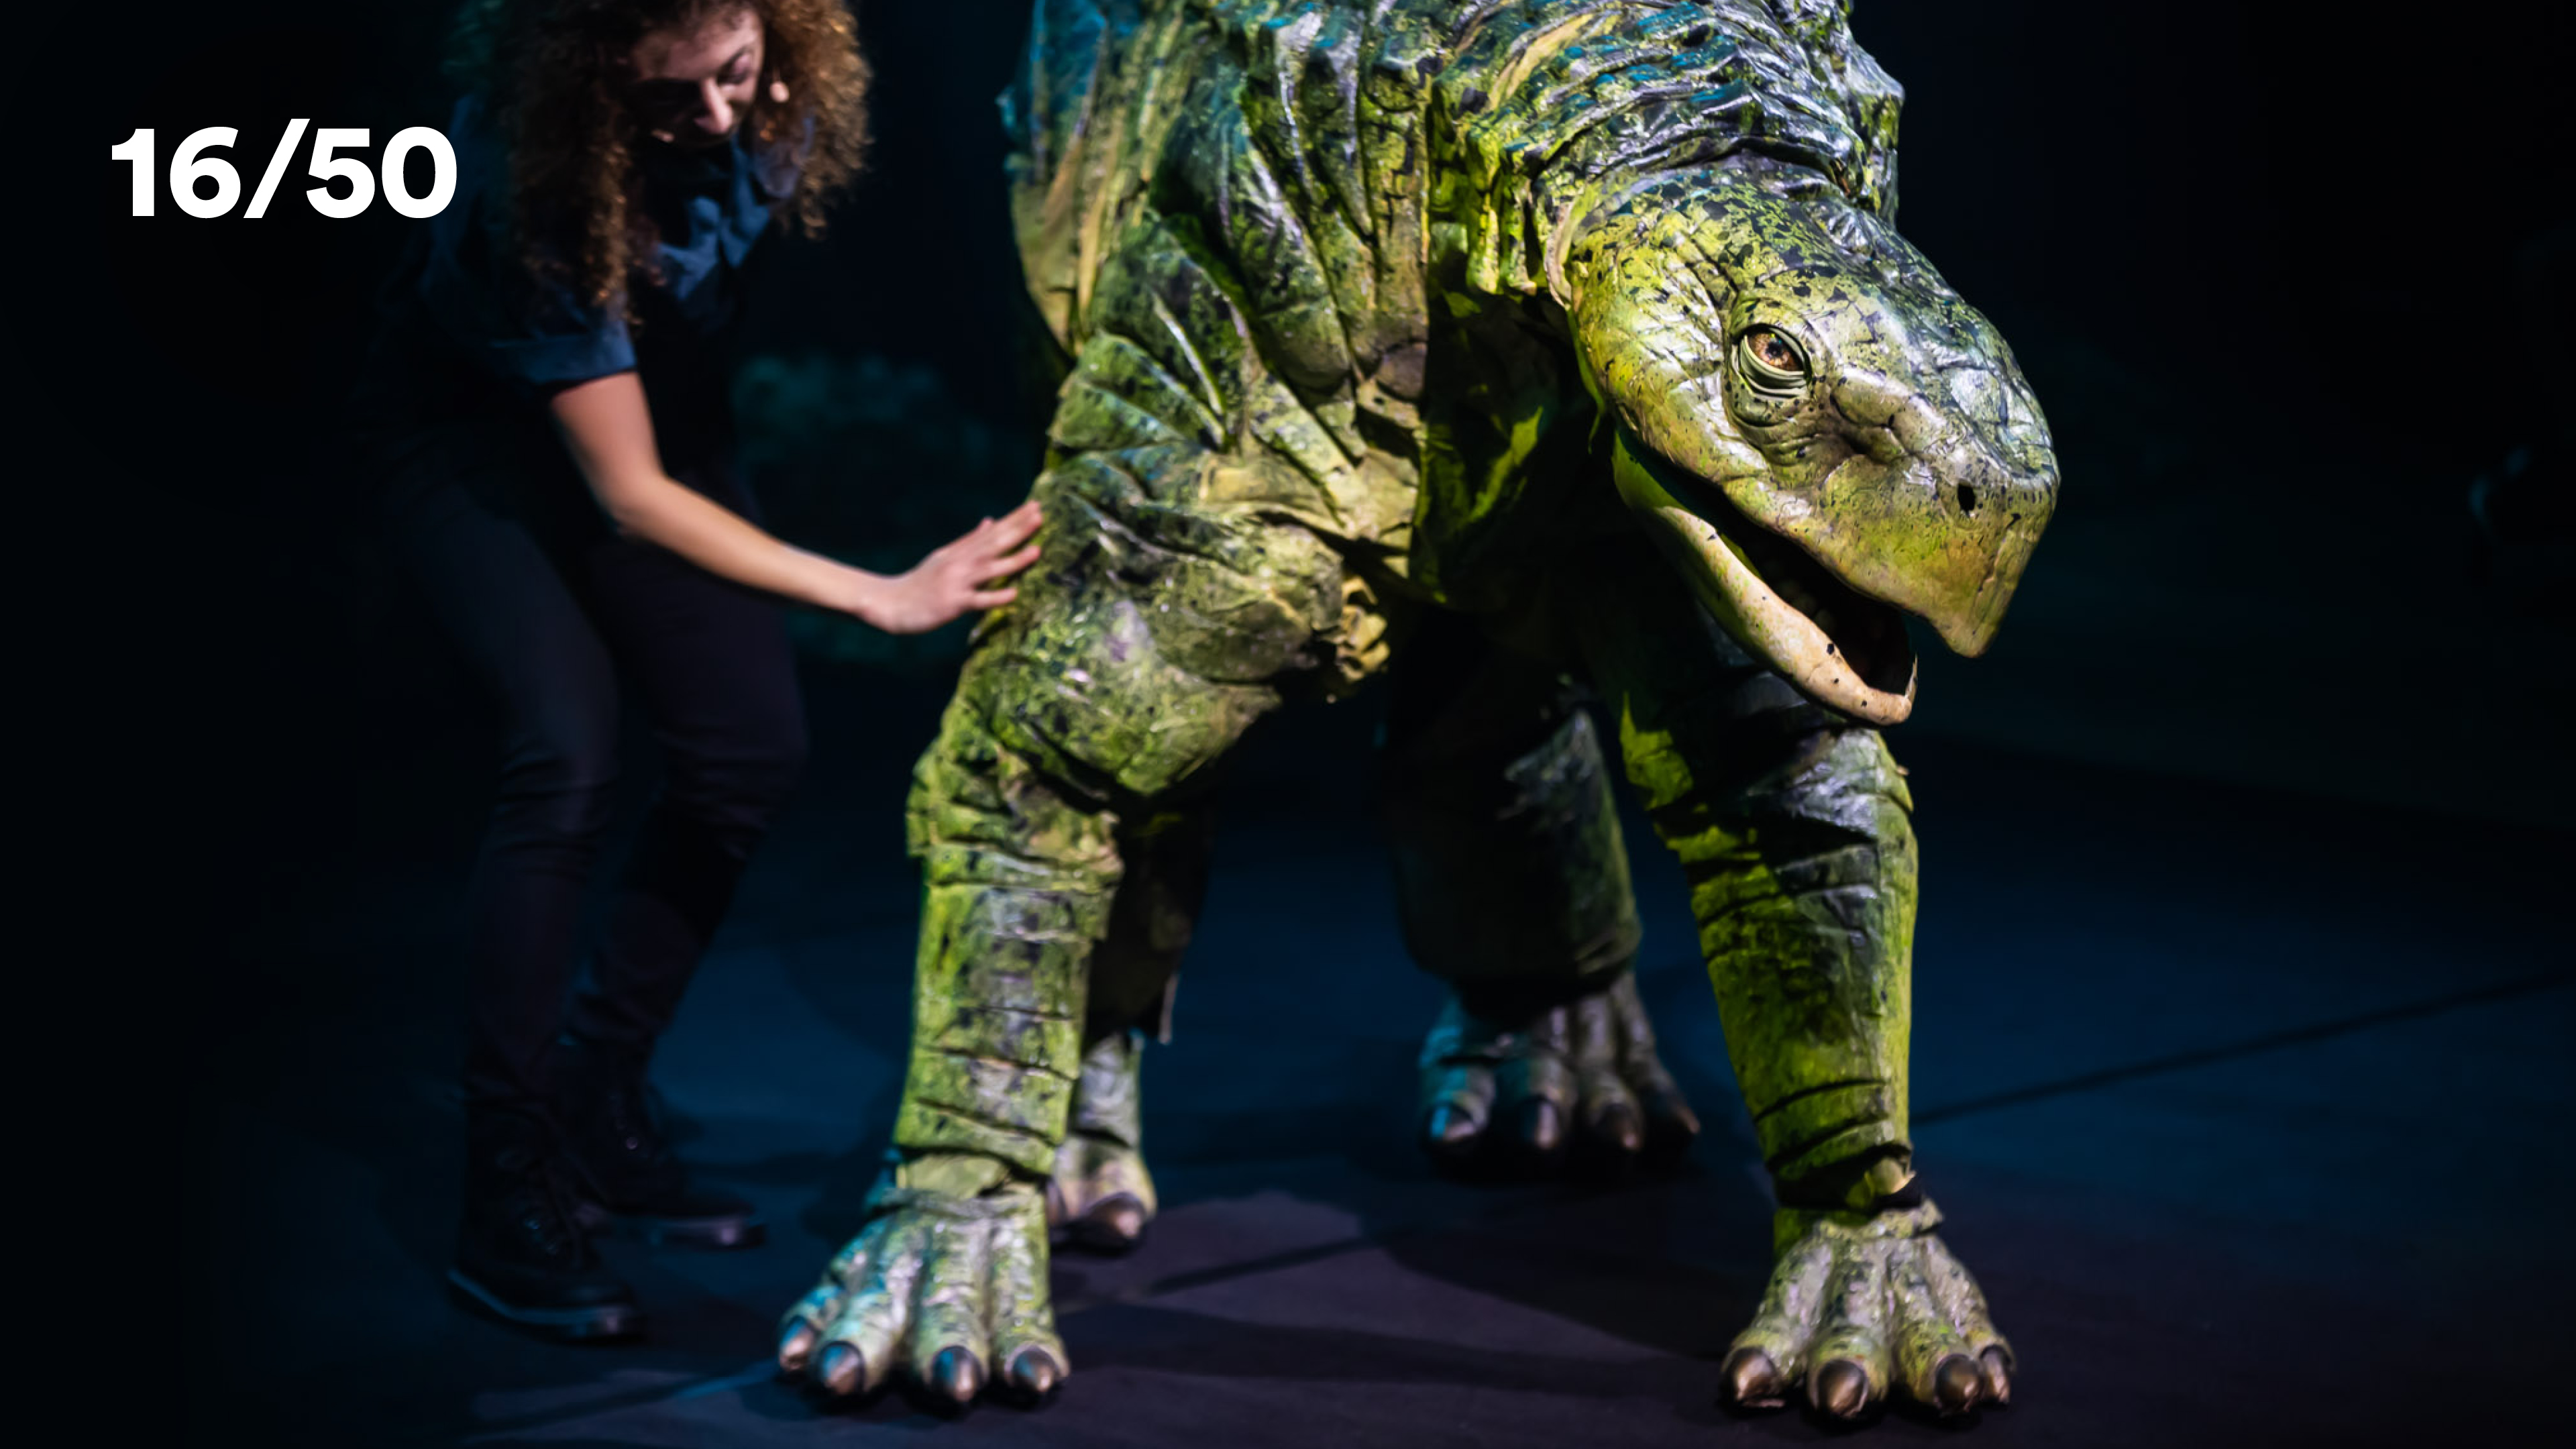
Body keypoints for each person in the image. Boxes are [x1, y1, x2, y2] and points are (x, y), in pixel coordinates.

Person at [349, 0, 1041, 1341]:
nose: (720, 119)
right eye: (672, 106)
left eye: (733, 74)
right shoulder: (538, 184)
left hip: (662, 401)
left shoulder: (786, 80)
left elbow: (670, 425)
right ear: (592, 76)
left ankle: (599, 1093)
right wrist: (881, 594)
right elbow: (628, 497)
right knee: (567, 746)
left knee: (749, 750)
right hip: (473, 439)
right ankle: (509, 1177)